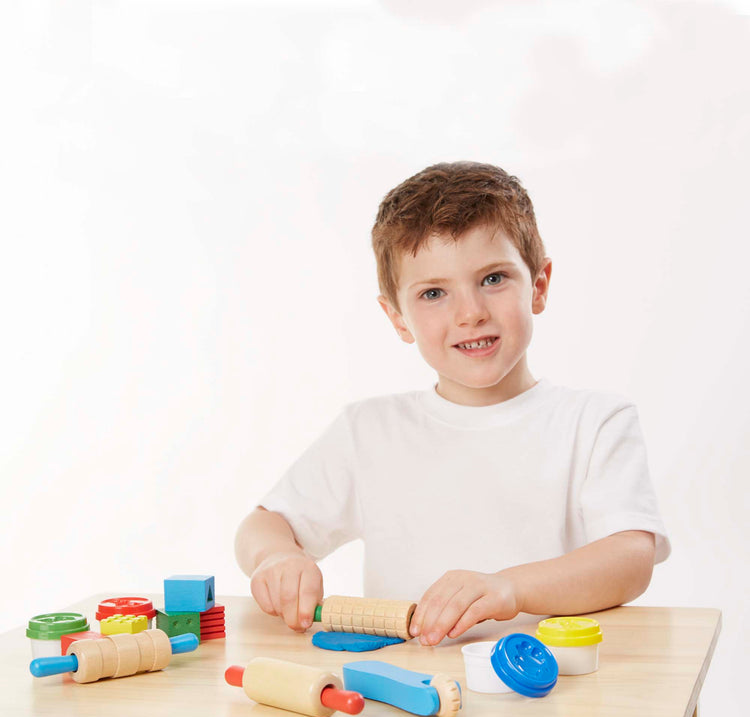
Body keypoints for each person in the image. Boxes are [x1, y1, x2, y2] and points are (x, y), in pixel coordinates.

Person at [234, 161, 670, 647]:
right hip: (403, 692)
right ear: (397, 318)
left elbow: (631, 557)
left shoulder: (594, 423)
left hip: (550, 694)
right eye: (434, 293)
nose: (470, 313)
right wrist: (276, 558)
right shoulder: (370, 430)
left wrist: (511, 588)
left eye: (493, 279)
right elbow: (263, 523)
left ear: (539, 285)